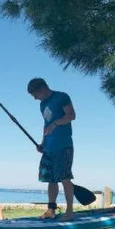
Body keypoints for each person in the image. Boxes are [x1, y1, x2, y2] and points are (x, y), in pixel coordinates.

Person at [27, 77, 76, 220]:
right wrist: (42, 143)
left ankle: (69, 212)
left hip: (63, 145)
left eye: (35, 95)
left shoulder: (61, 97)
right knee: (50, 179)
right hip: (49, 147)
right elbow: (46, 125)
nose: (35, 98)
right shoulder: (42, 105)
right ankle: (51, 210)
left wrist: (55, 124)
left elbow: (71, 115)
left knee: (64, 177)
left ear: (42, 89)